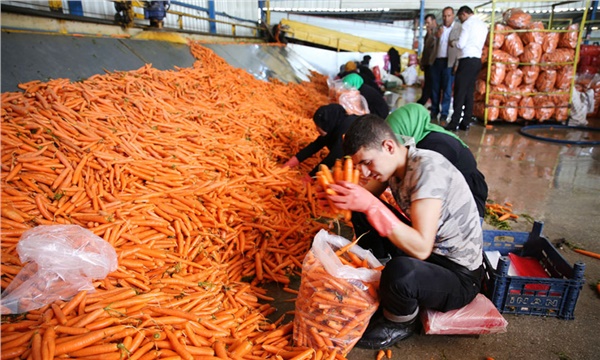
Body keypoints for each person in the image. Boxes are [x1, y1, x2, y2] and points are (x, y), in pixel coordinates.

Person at [322, 114, 484, 350]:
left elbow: (421, 247)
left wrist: (369, 203)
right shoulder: (397, 164)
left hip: (459, 276)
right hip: (431, 257)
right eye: (359, 166)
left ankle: (400, 321)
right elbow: (364, 197)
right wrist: (337, 196)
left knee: (400, 273)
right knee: (362, 208)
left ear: (388, 146)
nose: (364, 173)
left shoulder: (426, 170)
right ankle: (385, 275)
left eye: (367, 162)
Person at [386, 103, 488, 217]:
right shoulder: (421, 137)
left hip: (469, 210)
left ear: (406, 129)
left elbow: (427, 195)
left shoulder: (435, 147)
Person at [283, 104, 357, 178]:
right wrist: (289, 164)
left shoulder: (346, 131)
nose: (316, 129)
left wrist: (310, 177)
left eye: (318, 126)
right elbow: (316, 145)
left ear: (327, 124)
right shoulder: (335, 124)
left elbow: (334, 157)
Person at [445, 6, 488, 131]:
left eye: (460, 18)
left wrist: (453, 43)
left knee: (459, 92)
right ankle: (466, 122)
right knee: (469, 92)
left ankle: (454, 122)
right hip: (476, 61)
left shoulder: (467, 24)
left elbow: (461, 44)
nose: (461, 21)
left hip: (466, 60)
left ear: (464, 14)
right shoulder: (483, 25)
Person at [430, 7, 462, 123]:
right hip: (436, 62)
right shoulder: (437, 29)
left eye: (448, 16)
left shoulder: (458, 29)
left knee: (447, 90)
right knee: (435, 89)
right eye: (444, 16)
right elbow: (429, 45)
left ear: (453, 16)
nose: (446, 18)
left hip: (449, 62)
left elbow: (460, 48)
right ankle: (434, 111)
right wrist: (436, 37)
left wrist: (457, 63)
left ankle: (444, 113)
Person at [416, 14, 437, 108]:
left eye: (428, 23)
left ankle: (423, 101)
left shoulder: (437, 33)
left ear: (434, 21)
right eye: (426, 23)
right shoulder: (427, 34)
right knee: (429, 84)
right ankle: (432, 104)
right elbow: (426, 50)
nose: (427, 25)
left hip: (434, 63)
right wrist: (423, 62)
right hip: (428, 63)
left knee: (430, 85)